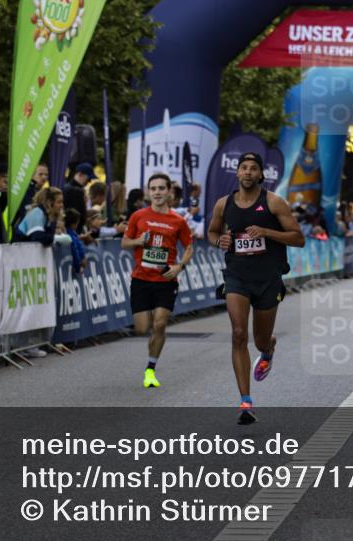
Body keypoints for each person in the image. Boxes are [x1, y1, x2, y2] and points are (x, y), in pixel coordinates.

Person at [207, 153, 304, 424]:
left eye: (253, 168)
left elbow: (299, 238)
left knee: (260, 340)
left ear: (261, 175)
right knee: (238, 333)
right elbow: (212, 232)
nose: (248, 172)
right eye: (243, 168)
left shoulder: (273, 202)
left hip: (268, 279)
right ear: (237, 173)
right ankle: (245, 402)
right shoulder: (223, 204)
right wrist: (219, 241)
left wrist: (267, 232)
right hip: (237, 276)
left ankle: (268, 349)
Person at [123, 173, 194, 392]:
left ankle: (150, 368)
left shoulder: (178, 220)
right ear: (148, 191)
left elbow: (189, 247)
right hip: (141, 279)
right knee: (142, 328)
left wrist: (179, 266)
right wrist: (138, 241)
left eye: (161, 188)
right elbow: (125, 243)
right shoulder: (138, 216)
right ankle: (153, 344)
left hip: (165, 279)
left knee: (160, 324)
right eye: (153, 188)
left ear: (169, 191)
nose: (157, 192)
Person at [13, 162, 49, 229]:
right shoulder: (24, 191)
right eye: (40, 174)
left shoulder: (44, 192)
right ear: (32, 175)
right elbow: (25, 211)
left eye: (46, 174)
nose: (44, 177)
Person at [64, 162, 96, 233]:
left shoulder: (67, 187)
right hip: (75, 230)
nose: (89, 181)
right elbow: (79, 215)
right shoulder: (76, 191)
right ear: (80, 174)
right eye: (88, 179)